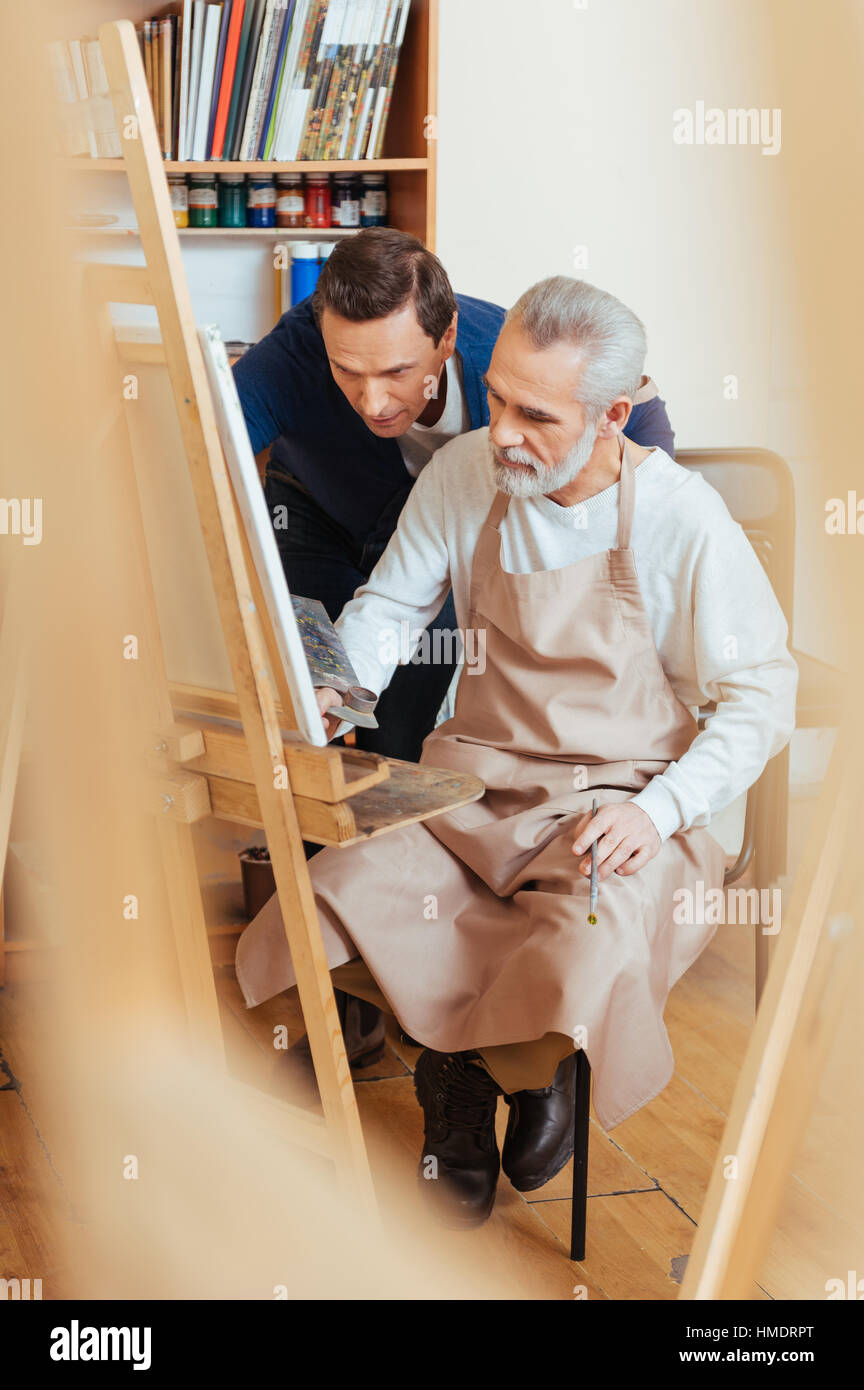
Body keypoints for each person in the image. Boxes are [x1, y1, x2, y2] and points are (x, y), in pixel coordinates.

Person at [236, 275, 798, 1227]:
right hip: (476, 788)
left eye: (534, 414)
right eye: (494, 397)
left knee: (585, 940)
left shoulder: (680, 518)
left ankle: (537, 1071)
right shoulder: (466, 474)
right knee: (333, 894)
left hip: (624, 803)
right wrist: (340, 686)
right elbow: (390, 608)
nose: (499, 430)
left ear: (615, 414)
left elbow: (763, 694)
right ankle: (466, 1079)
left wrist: (656, 812)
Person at [233, 229, 677, 1070]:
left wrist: (644, 513)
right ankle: (343, 991)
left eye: (397, 373)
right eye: (348, 373)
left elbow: (633, 414)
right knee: (328, 708)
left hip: (448, 527)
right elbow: (205, 450)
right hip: (328, 527)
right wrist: (331, 687)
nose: (372, 402)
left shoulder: (500, 349)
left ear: (444, 344)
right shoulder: (295, 351)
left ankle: (444, 983)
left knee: (415, 717)